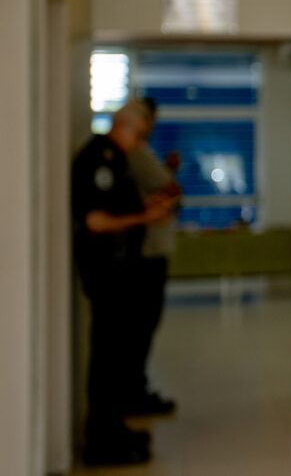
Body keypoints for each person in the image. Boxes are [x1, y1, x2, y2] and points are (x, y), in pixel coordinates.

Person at [71, 102, 177, 466]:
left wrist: (148, 209)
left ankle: (114, 430)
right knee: (107, 360)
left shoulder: (118, 160)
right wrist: (145, 216)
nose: (142, 142)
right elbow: (96, 220)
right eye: (141, 133)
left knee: (116, 358)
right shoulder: (99, 159)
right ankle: (102, 441)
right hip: (107, 276)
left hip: (122, 276)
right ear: (126, 125)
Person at [125, 97, 180, 416]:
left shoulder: (141, 152)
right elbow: (168, 189)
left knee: (144, 326)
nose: (149, 126)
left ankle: (136, 388)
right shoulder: (137, 153)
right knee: (141, 326)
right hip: (147, 254)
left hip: (151, 251)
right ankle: (134, 392)